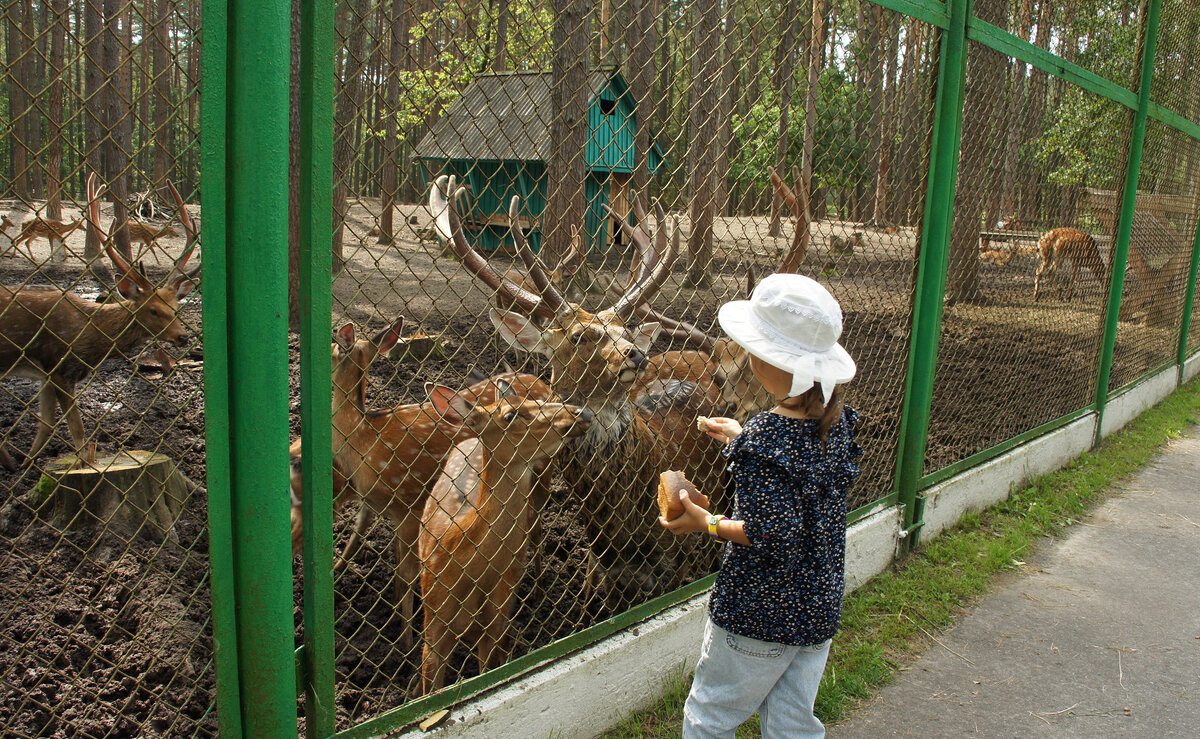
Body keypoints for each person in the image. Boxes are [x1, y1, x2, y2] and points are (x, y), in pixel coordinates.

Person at [660, 272, 862, 739]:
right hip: (817, 605)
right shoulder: (836, 420)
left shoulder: (768, 440)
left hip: (759, 613)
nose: (747, 358)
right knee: (792, 722)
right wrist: (741, 436)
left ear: (778, 365)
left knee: (709, 717)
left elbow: (768, 531)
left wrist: (705, 522)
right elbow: (801, 475)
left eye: (753, 350)